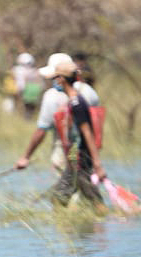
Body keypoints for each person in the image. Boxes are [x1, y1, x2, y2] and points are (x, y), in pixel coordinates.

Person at [16, 53, 99, 175]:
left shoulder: (54, 97)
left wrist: (25, 157)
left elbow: (41, 130)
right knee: (77, 183)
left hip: (68, 150)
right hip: (89, 151)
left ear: (60, 78)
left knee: (69, 184)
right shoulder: (89, 92)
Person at [46, 60, 106, 207]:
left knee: (92, 199)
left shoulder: (77, 103)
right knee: (59, 196)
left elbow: (87, 133)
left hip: (81, 158)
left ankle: (103, 223)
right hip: (74, 158)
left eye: (56, 78)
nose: (55, 82)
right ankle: (70, 226)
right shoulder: (72, 101)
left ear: (61, 79)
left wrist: (97, 163)